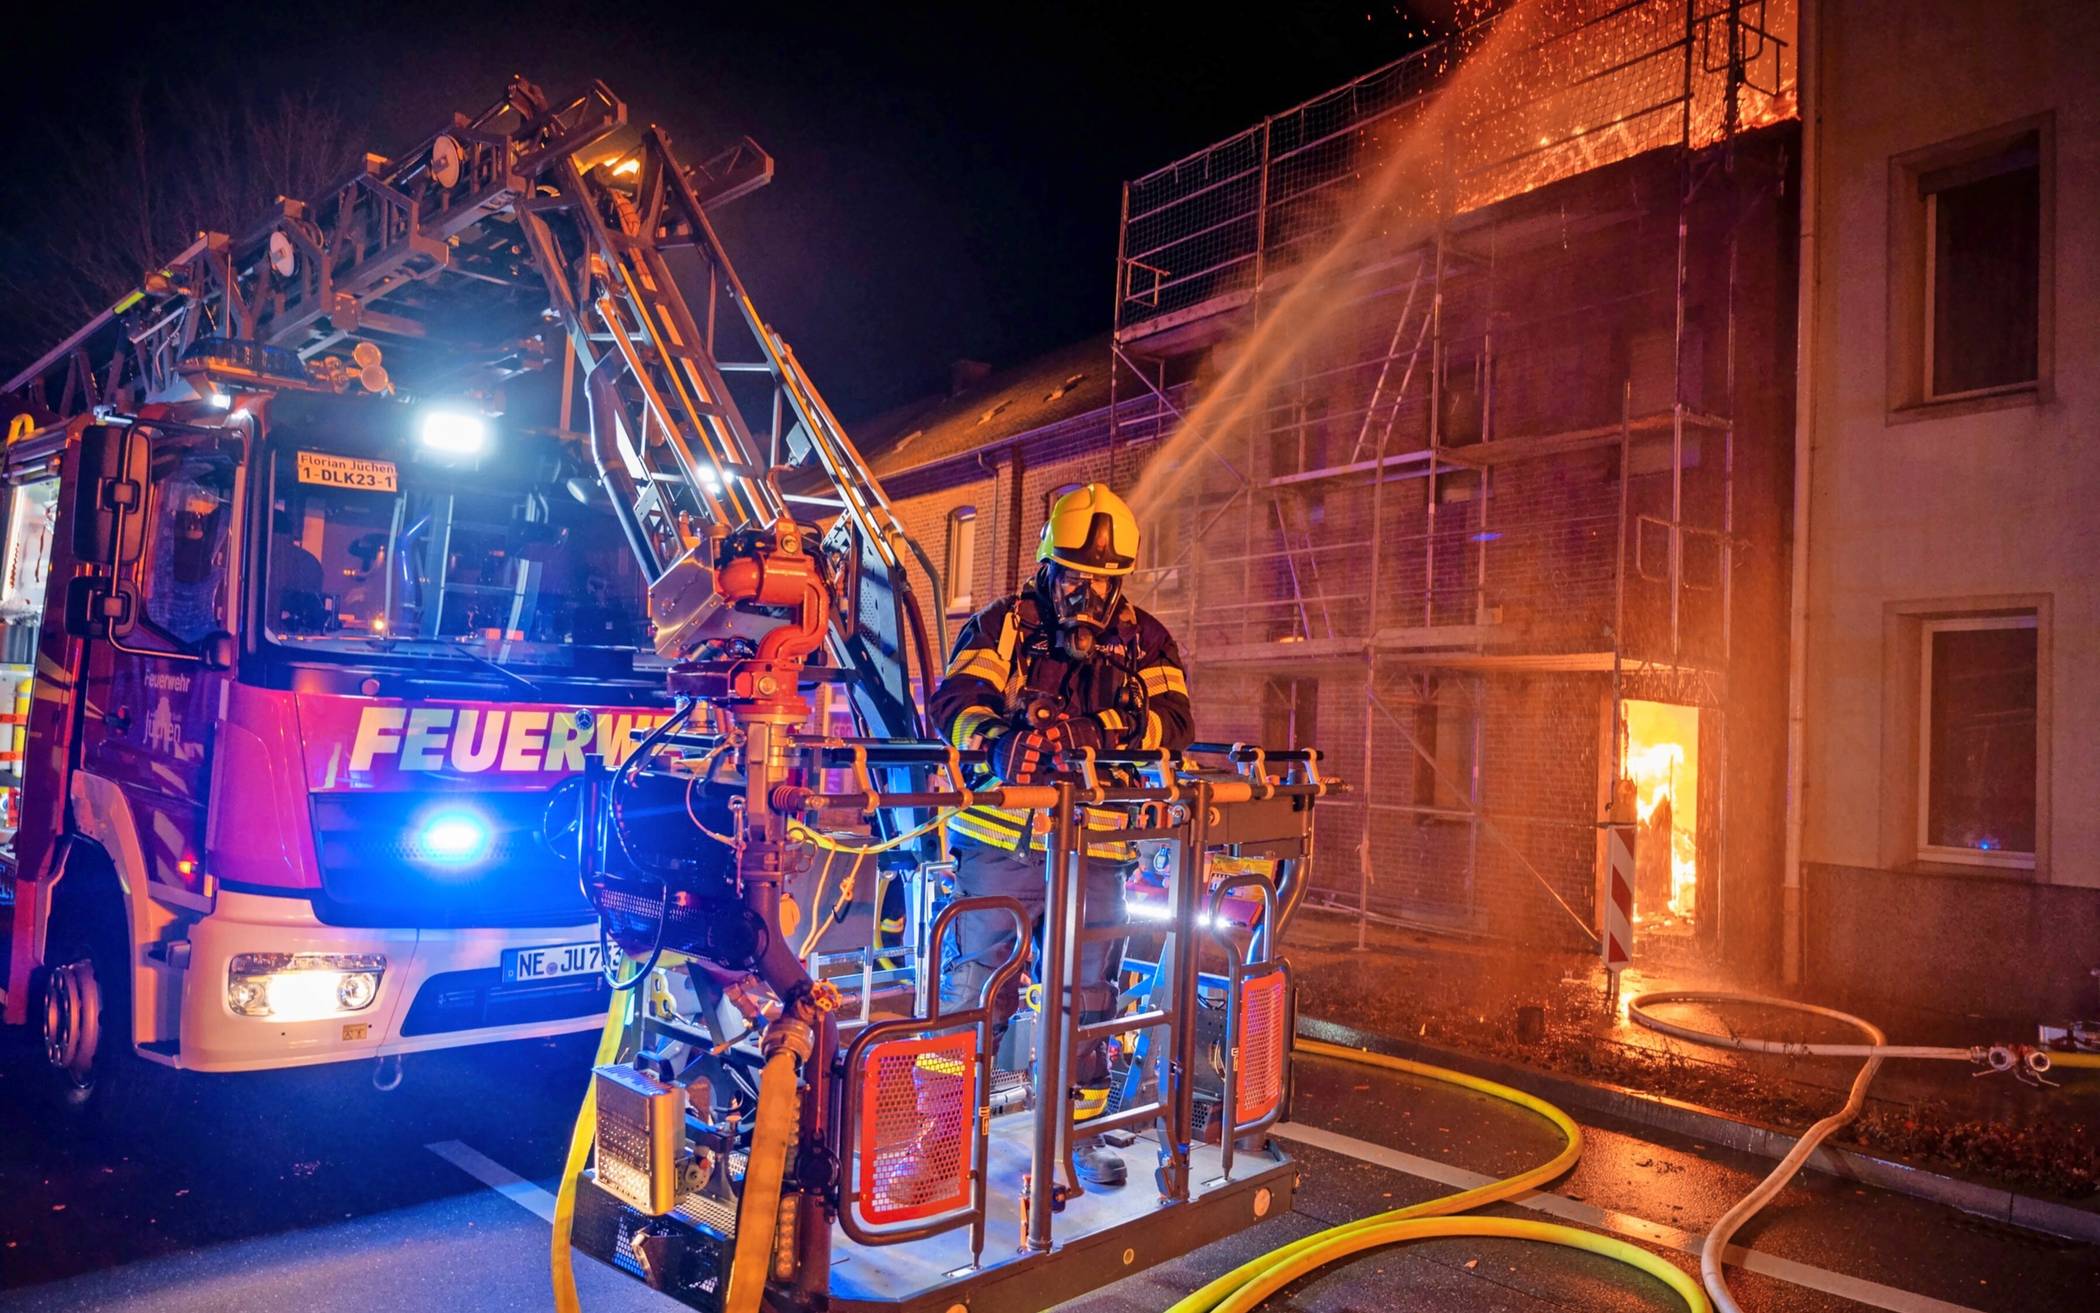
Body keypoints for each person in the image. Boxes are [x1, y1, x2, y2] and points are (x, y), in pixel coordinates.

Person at [925, 483, 1192, 1188]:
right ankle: (940, 1138)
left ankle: (1077, 1135)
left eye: (1103, 580)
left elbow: (1175, 722)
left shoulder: (1146, 640)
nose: (1089, 593)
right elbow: (953, 701)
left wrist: (1101, 729)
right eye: (1075, 575)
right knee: (977, 987)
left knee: (1089, 995)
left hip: (1095, 850)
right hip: (1003, 846)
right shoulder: (1003, 626)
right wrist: (999, 745)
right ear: (1046, 566)